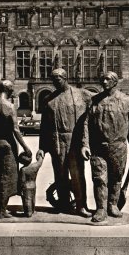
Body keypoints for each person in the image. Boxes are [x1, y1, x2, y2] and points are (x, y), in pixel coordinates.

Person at [81, 71, 129, 223]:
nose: (104, 82)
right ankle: (101, 208)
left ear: (115, 82)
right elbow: (86, 124)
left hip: (118, 146)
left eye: (108, 79)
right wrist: (85, 144)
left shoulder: (127, 101)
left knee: (116, 178)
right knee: (99, 179)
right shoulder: (94, 101)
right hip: (98, 147)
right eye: (103, 79)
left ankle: (112, 205)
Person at [36, 68, 92, 217]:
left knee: (77, 175)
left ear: (65, 78)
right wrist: (42, 147)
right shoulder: (49, 99)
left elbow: (100, 101)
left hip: (75, 140)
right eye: (53, 80)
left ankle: (81, 206)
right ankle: (63, 204)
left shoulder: (81, 94)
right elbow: (44, 127)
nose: (55, 82)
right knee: (60, 175)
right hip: (56, 141)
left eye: (58, 79)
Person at [0, 80, 32, 219]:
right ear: (8, 90)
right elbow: (16, 130)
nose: (13, 91)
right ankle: (2, 211)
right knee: (8, 176)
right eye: (12, 89)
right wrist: (26, 147)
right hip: (8, 144)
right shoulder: (10, 106)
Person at [18, 152, 43, 218]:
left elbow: (22, 181)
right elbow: (40, 162)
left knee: (27, 200)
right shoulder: (35, 166)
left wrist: (20, 190)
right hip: (33, 185)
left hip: (26, 187)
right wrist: (40, 154)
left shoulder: (23, 169)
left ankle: (28, 213)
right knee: (32, 199)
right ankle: (32, 211)